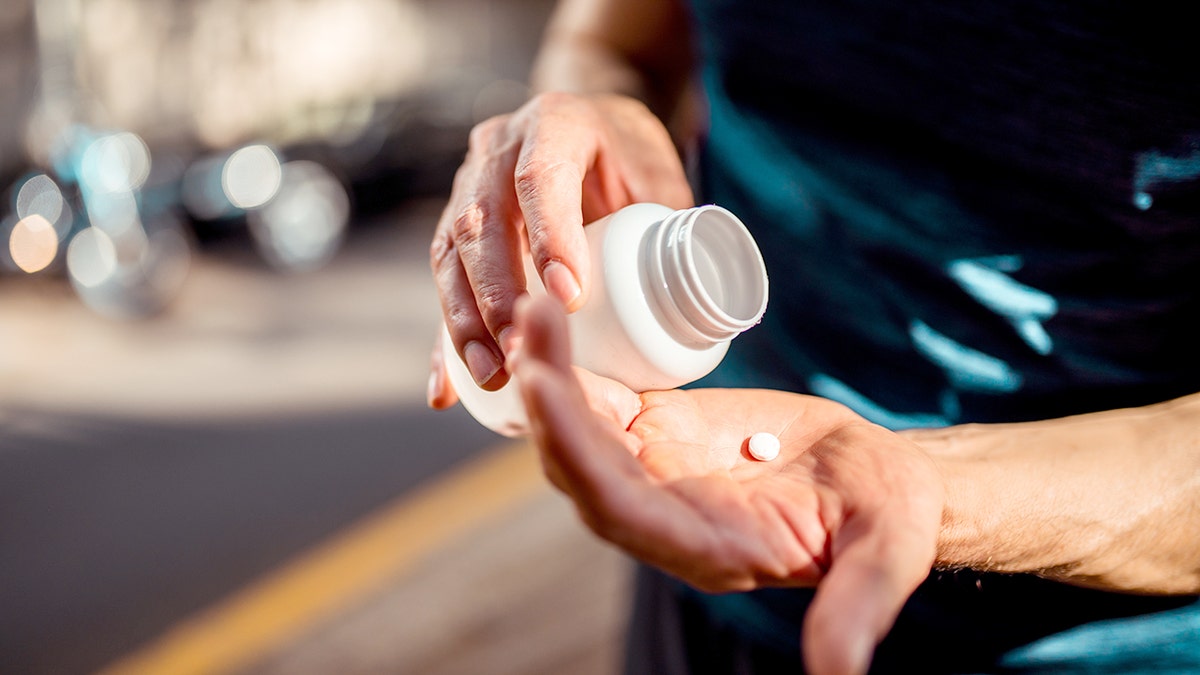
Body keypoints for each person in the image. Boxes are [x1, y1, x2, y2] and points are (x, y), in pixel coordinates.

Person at [427, 0, 1200, 672]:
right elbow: (613, 39)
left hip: (1087, 639)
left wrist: (939, 490)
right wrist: (597, 109)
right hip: (704, 515)